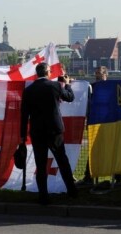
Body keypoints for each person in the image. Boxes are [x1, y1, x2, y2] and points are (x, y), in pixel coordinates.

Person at [20, 62, 78, 205]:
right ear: (48, 72)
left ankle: (43, 196)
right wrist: (68, 84)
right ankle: (72, 190)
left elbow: (24, 115)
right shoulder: (55, 86)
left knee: (41, 164)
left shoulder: (29, 90)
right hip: (54, 130)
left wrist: (22, 135)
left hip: (37, 131)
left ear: (37, 73)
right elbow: (70, 97)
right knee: (62, 161)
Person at [76, 66, 108, 187]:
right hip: (94, 122)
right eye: (96, 73)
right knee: (93, 150)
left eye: (99, 73)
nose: (97, 75)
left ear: (105, 74)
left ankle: (117, 175)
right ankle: (89, 176)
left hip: (108, 123)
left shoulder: (111, 88)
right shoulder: (91, 87)